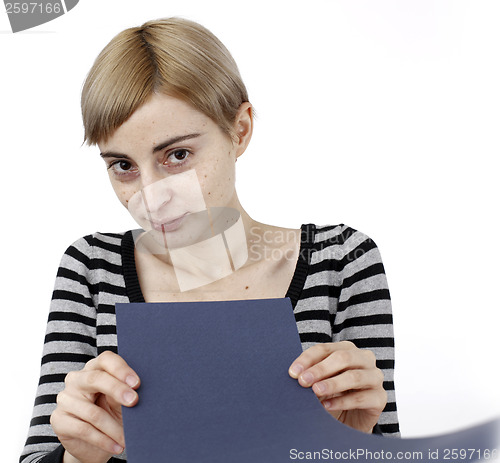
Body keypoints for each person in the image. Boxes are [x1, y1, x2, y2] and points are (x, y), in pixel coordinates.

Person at [20, 17, 400, 463]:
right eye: (123, 165)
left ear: (239, 130)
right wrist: (78, 457)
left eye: (177, 155)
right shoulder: (92, 268)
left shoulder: (341, 261)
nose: (151, 199)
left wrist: (353, 447)